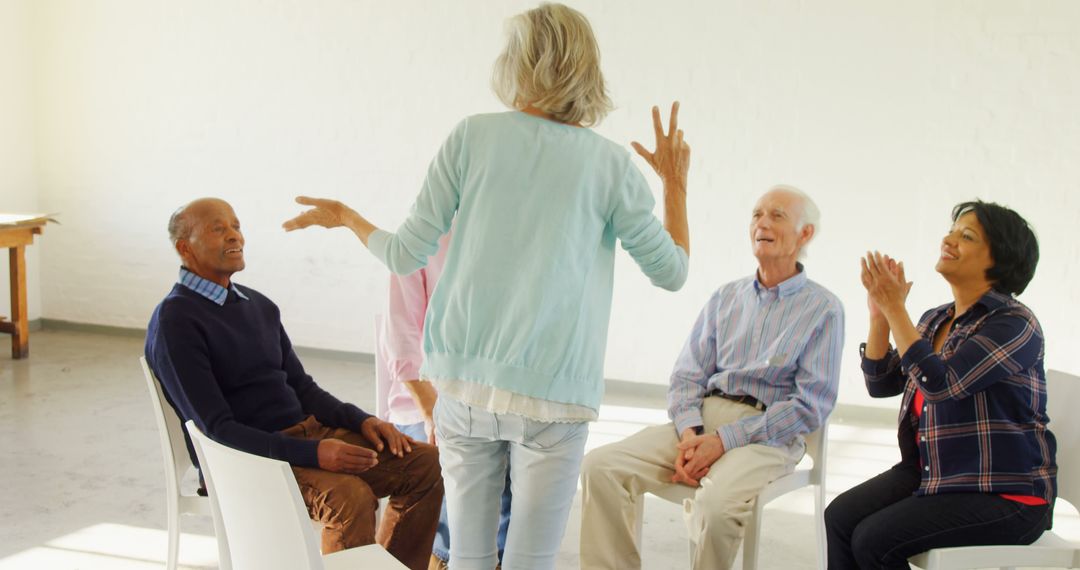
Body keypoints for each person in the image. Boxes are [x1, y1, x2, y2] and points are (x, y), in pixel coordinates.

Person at [283, 3, 691, 567]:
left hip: (465, 388)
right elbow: (671, 273)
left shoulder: (472, 137)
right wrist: (674, 184)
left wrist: (349, 217)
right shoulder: (610, 165)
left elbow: (405, 253)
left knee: (469, 558)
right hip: (556, 398)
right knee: (530, 559)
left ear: (518, 64)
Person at [145, 198, 443, 570]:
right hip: (248, 460)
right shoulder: (175, 321)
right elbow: (217, 431)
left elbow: (303, 389)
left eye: (236, 225)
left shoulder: (259, 305)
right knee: (350, 497)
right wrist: (315, 455)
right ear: (184, 248)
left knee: (426, 464)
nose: (235, 235)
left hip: (307, 437)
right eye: (218, 228)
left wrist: (362, 421)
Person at [579, 186, 844, 570]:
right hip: (701, 422)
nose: (762, 223)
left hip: (767, 436)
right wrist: (690, 435)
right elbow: (687, 376)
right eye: (756, 214)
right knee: (601, 467)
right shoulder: (726, 297)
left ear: (806, 235)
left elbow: (809, 407)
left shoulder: (824, 309)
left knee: (717, 506)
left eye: (777, 215)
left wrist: (723, 442)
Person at [825, 200, 1057, 569]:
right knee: (839, 517)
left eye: (966, 236)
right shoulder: (937, 319)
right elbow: (881, 383)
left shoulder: (1015, 323)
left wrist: (895, 308)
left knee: (874, 540)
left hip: (1007, 495)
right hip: (938, 474)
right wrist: (881, 316)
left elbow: (942, 385)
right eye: (951, 231)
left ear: (999, 259)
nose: (949, 240)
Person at [379, 229, 513, 570]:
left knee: (525, 477)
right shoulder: (416, 242)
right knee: (460, 471)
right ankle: (445, 561)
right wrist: (432, 411)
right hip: (423, 403)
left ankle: (495, 561)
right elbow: (401, 340)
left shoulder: (508, 239)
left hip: (490, 402)